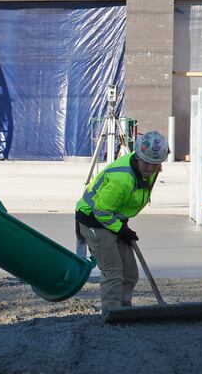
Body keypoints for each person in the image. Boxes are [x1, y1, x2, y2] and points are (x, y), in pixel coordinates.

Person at [75, 130, 169, 314]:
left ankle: (124, 311)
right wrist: (121, 229)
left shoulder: (151, 170)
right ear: (138, 158)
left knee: (130, 274)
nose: (150, 169)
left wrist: (121, 227)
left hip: (115, 218)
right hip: (93, 220)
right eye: (147, 163)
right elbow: (100, 210)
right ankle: (112, 314)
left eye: (156, 165)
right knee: (113, 271)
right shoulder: (122, 179)